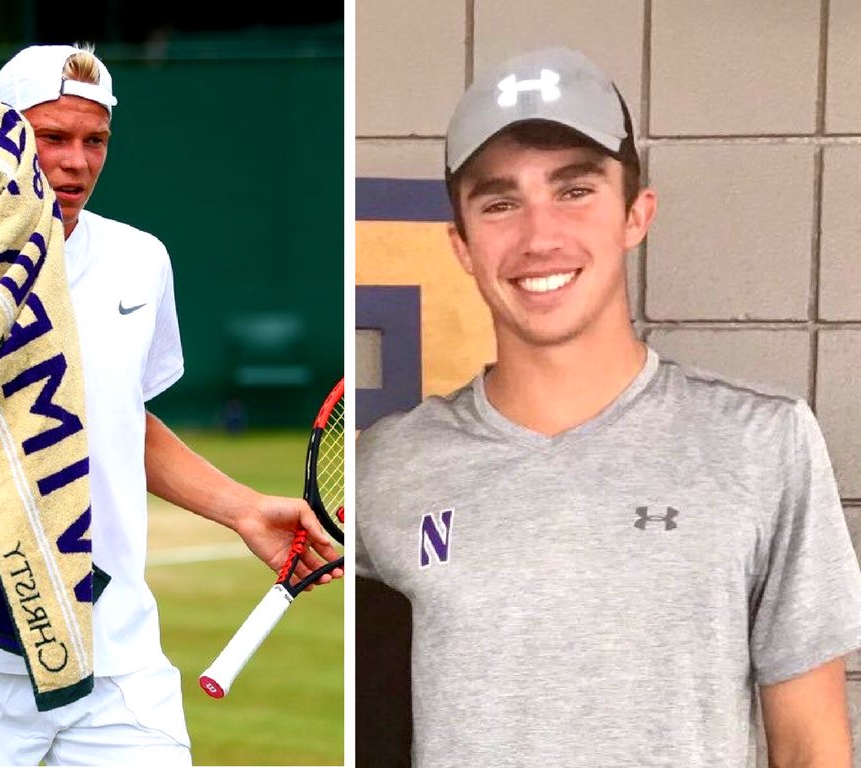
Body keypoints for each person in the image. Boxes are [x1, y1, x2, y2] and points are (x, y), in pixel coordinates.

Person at [355, 46, 861, 767]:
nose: (539, 237)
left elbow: (812, 748)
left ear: (636, 213)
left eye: (575, 191)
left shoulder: (761, 441)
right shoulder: (386, 467)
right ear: (461, 245)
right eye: (500, 203)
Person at [0, 43, 341, 766]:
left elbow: (118, 422)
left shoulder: (141, 259)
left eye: (95, 141)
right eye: (53, 138)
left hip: (116, 657)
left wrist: (242, 509)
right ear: (1, 136)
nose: (77, 163)